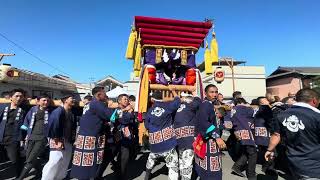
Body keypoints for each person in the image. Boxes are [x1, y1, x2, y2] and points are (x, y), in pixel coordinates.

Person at [265, 88, 320, 179]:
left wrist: (269, 150)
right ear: (314, 100)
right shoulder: (317, 116)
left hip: (294, 163)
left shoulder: (282, 115)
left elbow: (276, 135)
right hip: (315, 166)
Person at [70, 87, 114, 180]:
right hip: (91, 137)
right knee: (89, 161)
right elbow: (111, 116)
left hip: (85, 135)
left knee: (84, 161)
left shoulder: (90, 103)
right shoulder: (97, 103)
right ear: (98, 95)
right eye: (104, 94)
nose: (105, 95)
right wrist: (109, 105)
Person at [144, 88, 180, 180]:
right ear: (162, 98)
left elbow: (147, 126)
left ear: (152, 99)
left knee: (151, 160)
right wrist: (173, 91)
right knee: (173, 167)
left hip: (155, 143)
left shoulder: (149, 112)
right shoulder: (168, 106)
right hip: (168, 143)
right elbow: (177, 101)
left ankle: (147, 176)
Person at [42, 94, 77, 180]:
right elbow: (53, 126)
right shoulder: (58, 111)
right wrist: (57, 140)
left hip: (68, 139)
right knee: (55, 160)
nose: (74, 100)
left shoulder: (70, 112)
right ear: (65, 100)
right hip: (57, 139)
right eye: (71, 98)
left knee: (65, 160)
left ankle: (59, 177)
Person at [195, 84, 226, 180]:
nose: (215, 94)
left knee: (209, 167)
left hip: (211, 138)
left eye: (216, 92)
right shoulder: (205, 105)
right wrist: (217, 137)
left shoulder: (210, 105)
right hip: (210, 140)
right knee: (211, 170)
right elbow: (204, 123)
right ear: (205, 93)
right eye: (211, 92)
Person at [17, 94, 51, 180]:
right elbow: (26, 120)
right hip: (31, 136)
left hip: (42, 138)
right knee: (29, 157)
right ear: (38, 101)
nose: (46, 102)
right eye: (44, 100)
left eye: (47, 100)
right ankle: (40, 172)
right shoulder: (33, 109)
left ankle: (20, 178)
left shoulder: (50, 111)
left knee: (30, 160)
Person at [174, 91, 201, 179]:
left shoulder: (177, 108)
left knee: (182, 162)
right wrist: (196, 95)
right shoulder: (190, 106)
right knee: (187, 164)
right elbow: (198, 102)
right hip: (188, 140)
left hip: (179, 140)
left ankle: (182, 177)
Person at [0, 89, 25, 178]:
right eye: (16, 96)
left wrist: (22, 138)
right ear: (11, 98)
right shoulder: (3, 107)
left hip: (13, 139)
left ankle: (19, 176)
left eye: (21, 97)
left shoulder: (23, 110)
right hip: (1, 136)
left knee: (14, 159)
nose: (19, 98)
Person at [231, 98, 257, 180]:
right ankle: (251, 175)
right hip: (246, 131)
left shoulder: (233, 109)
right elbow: (252, 113)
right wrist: (248, 106)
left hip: (239, 131)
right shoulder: (244, 108)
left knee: (248, 151)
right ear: (241, 102)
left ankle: (237, 166)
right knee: (253, 153)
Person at [114, 94, 135, 180]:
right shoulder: (118, 110)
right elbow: (124, 120)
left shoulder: (126, 110)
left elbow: (131, 120)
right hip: (120, 135)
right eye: (125, 99)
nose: (127, 101)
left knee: (122, 156)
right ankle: (122, 176)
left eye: (127, 99)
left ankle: (120, 174)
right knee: (123, 156)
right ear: (119, 101)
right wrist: (129, 112)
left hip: (126, 134)